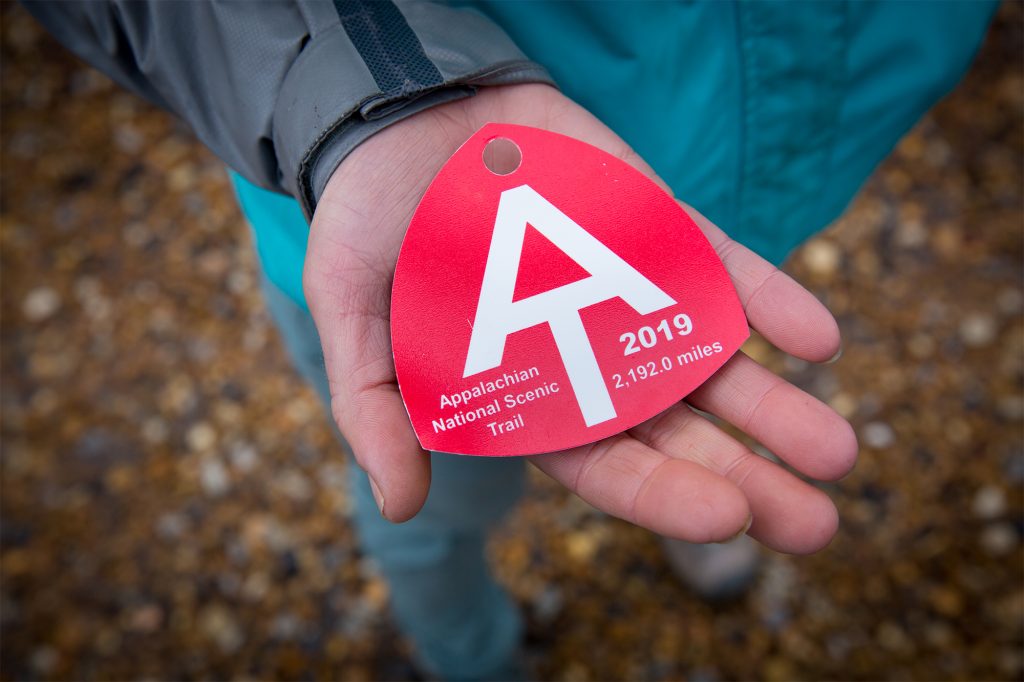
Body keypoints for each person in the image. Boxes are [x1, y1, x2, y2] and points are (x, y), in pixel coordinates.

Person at [24, 1, 997, 679]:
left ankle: (693, 522)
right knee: (435, 505)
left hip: (755, 174)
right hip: (391, 209)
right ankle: (467, 655)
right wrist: (367, 70)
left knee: (706, 404)